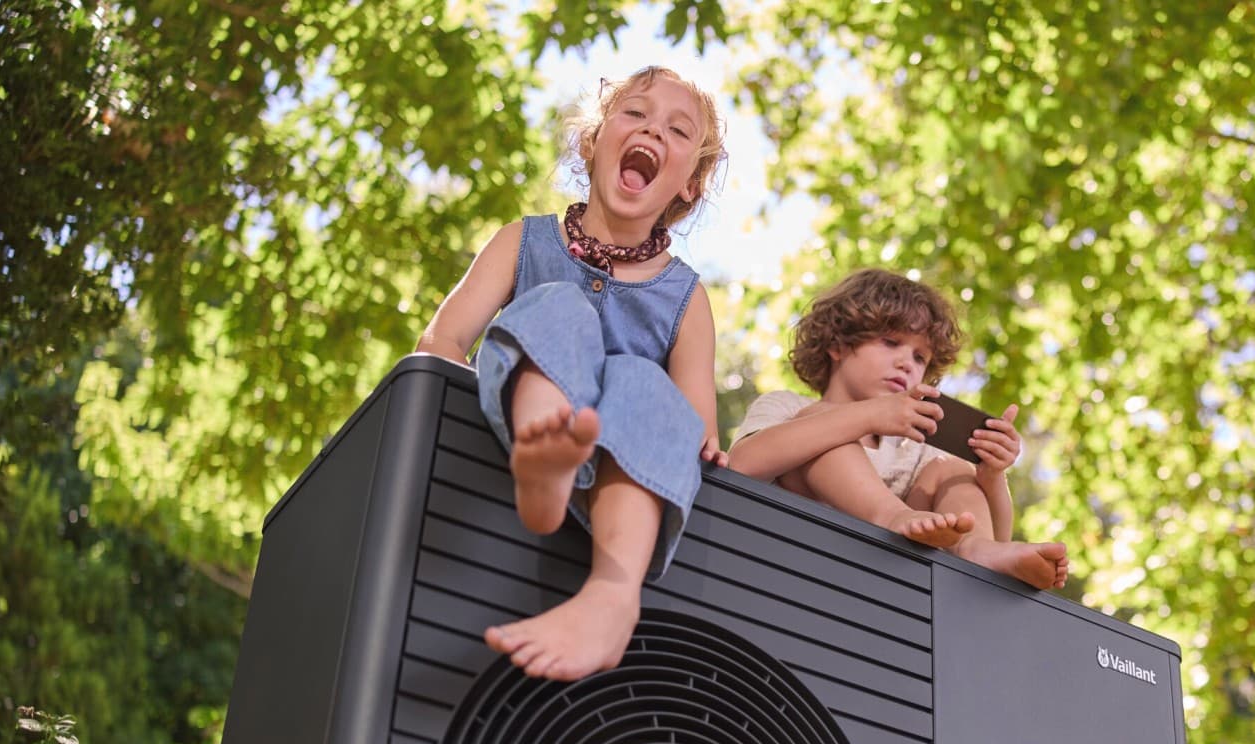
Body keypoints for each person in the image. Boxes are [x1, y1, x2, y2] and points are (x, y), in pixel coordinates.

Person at [415, 66, 727, 681]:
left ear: (690, 184)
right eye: (634, 114)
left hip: (619, 478)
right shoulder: (524, 243)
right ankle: (543, 458)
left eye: (677, 129)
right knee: (560, 307)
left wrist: (702, 445)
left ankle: (612, 593)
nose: (652, 130)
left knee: (642, 381)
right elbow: (443, 340)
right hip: (509, 429)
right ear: (592, 142)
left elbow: (699, 429)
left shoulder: (687, 300)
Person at [728, 269, 1068, 590]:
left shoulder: (917, 448)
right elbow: (742, 464)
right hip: (796, 555)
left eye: (920, 358)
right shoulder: (787, 406)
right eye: (891, 342)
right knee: (821, 420)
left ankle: (974, 549)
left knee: (951, 468)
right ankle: (892, 517)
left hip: (886, 580)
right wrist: (867, 416)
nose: (907, 362)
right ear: (838, 345)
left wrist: (992, 475)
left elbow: (1001, 536)